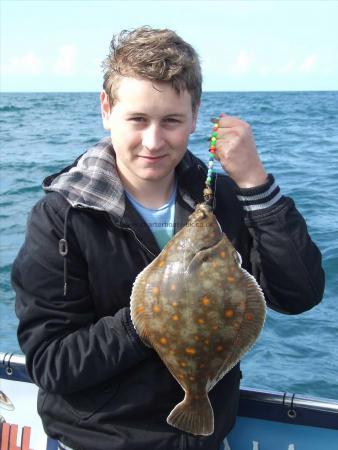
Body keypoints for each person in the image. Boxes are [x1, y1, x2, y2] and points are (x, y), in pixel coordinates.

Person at [12, 26, 325, 450]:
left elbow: (299, 293)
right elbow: (52, 365)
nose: (154, 141)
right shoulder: (62, 218)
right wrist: (148, 321)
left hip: (209, 439)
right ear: (106, 109)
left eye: (172, 121)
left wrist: (254, 183)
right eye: (137, 119)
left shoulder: (223, 200)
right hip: (100, 441)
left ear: (195, 117)